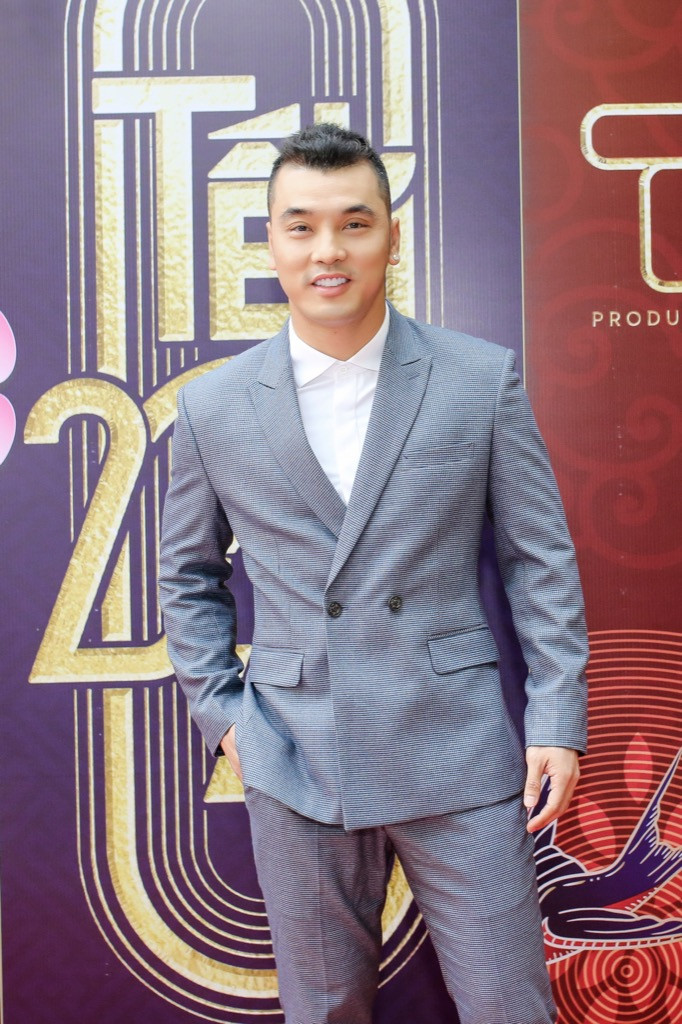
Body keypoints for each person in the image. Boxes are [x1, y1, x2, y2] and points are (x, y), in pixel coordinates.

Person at [159, 123, 588, 1024]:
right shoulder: (213, 408)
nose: (328, 250)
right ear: (271, 243)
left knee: (511, 1006)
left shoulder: (478, 380)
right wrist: (227, 718)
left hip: (457, 748)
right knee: (325, 1011)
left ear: (391, 237)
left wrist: (557, 717)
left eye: (354, 224)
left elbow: (538, 559)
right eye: (302, 226)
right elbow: (188, 578)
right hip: (294, 753)